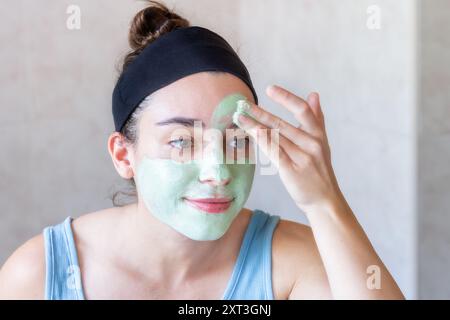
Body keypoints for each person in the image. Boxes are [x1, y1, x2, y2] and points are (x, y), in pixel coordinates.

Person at [0, 1, 404, 300]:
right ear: (124, 156)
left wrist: (324, 202)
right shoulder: (39, 275)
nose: (220, 172)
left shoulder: (289, 262)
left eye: (236, 139)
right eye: (181, 142)